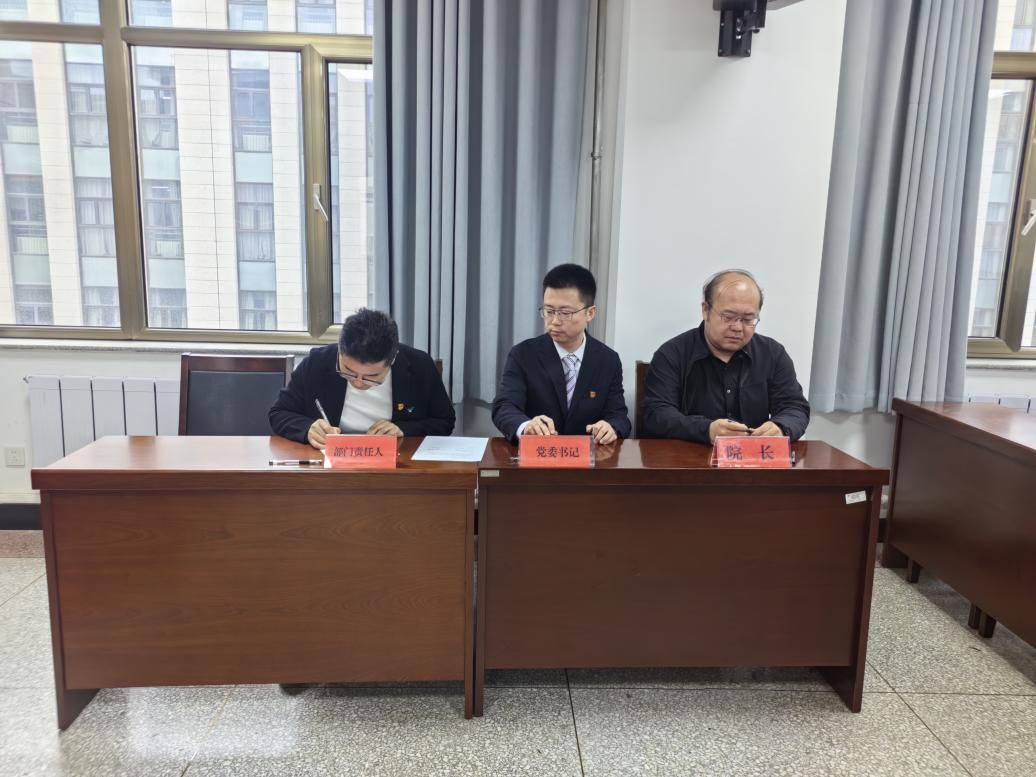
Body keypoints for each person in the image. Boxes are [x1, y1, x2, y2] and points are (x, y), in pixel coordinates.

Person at [641, 269, 809, 444]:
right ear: (705, 310)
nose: (737, 327)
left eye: (748, 319)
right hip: (691, 457)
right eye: (728, 317)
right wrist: (706, 430)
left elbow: (795, 407)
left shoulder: (772, 354)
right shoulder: (672, 354)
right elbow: (656, 414)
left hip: (753, 457)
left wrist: (780, 427)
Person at [270, 308, 455, 448]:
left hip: (394, 464)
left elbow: (444, 421)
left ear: (393, 359)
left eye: (372, 377)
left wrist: (403, 430)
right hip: (330, 463)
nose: (358, 383)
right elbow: (279, 413)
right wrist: (308, 428)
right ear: (340, 351)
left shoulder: (419, 365)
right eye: (348, 372)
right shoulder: (317, 363)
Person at [492, 263, 631, 443]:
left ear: (590, 313)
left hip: (588, 456)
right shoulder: (523, 355)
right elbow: (504, 406)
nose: (555, 321)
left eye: (565, 313)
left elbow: (618, 415)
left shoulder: (608, 360)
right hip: (538, 453)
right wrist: (526, 426)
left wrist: (611, 427)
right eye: (549, 311)